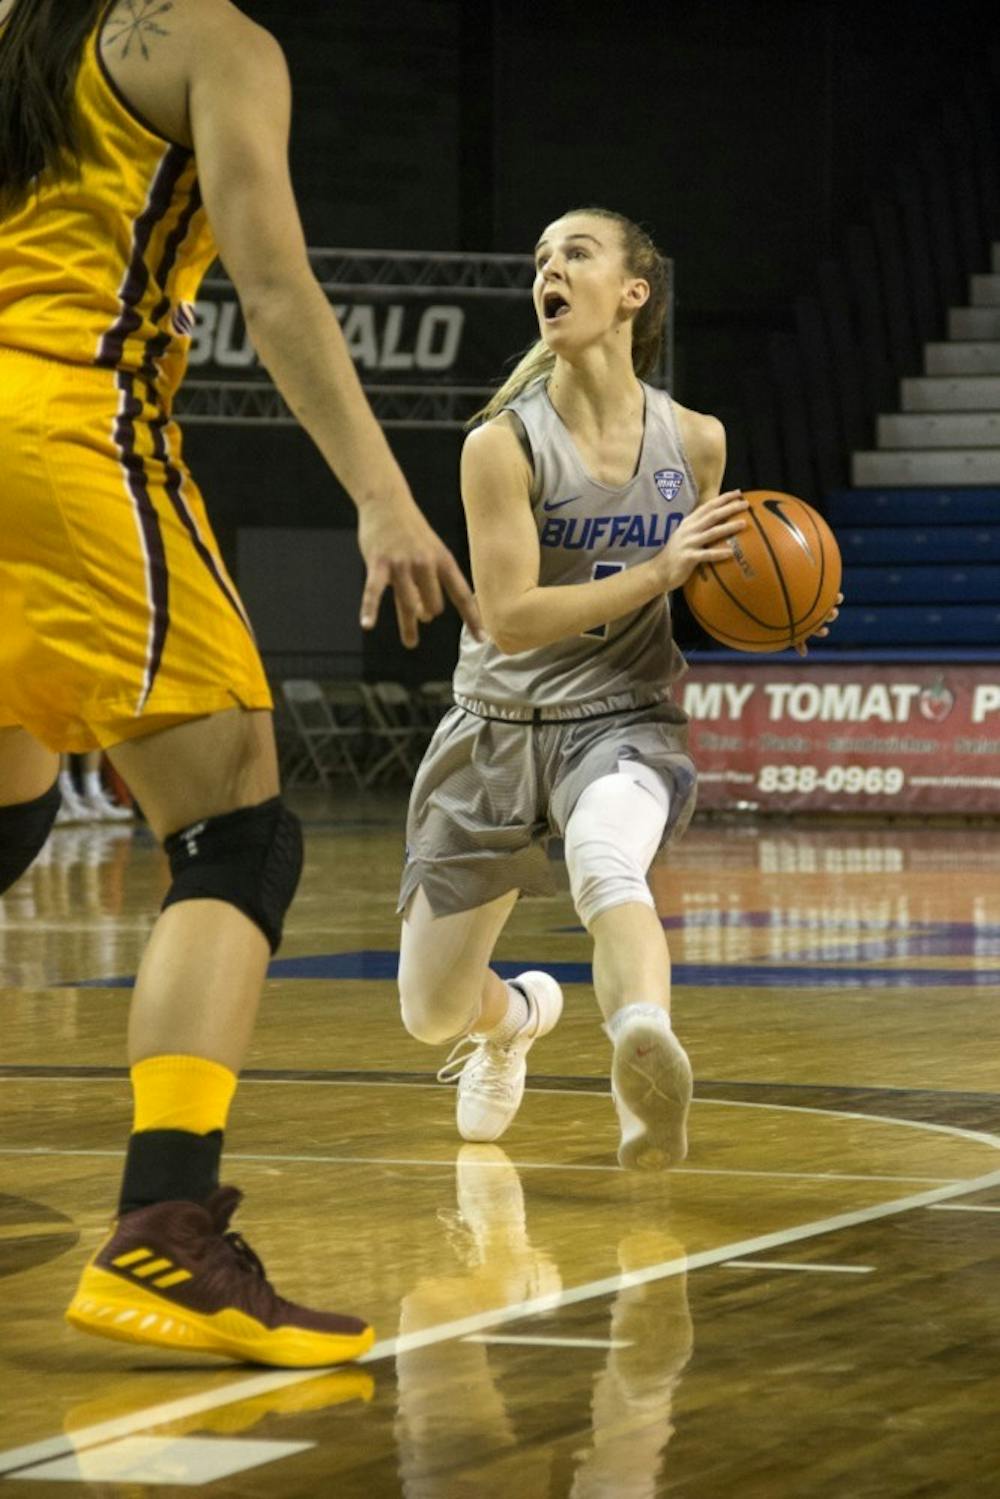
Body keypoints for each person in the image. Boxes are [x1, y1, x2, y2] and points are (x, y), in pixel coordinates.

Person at [0, 0, 480, 1367]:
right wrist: (386, 499)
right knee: (237, 827)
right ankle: (164, 1217)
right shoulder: (211, 38)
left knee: (12, 804)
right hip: (66, 436)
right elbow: (274, 290)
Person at [397, 207, 838, 1170]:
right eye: (540, 261)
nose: (548, 272)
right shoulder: (501, 446)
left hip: (622, 716)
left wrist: (792, 608)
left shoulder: (698, 442)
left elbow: (724, 578)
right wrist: (661, 572)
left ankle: (644, 1047)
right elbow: (507, 614)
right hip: (497, 725)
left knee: (608, 859)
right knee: (429, 1011)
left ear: (634, 292)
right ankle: (512, 1017)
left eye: (575, 255)